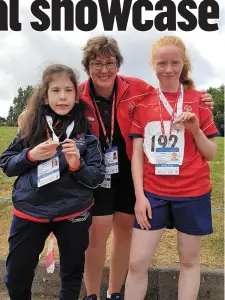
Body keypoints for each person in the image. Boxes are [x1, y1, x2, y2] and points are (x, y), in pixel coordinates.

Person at [78, 35, 214, 300]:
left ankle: (115, 292)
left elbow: (174, 92)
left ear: (118, 64)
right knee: (98, 235)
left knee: (125, 232)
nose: (104, 69)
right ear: (87, 66)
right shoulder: (79, 94)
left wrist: (201, 99)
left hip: (135, 175)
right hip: (99, 174)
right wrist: (27, 113)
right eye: (97, 63)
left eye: (110, 62)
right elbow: (49, 100)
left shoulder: (138, 89)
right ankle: (92, 294)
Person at [125, 36, 219, 300]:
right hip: (153, 193)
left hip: (193, 192)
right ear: (153, 64)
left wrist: (195, 129)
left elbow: (211, 153)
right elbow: (137, 157)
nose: (168, 69)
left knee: (188, 261)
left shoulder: (199, 100)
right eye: (162, 63)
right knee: (137, 263)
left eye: (174, 63)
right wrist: (140, 196)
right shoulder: (143, 103)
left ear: (183, 64)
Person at [0, 64, 105, 300]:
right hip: (30, 211)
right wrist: (30, 155)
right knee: (16, 276)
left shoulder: (86, 136)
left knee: (72, 276)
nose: (62, 96)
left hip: (74, 213)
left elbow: (97, 178)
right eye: (55, 90)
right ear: (45, 97)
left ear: (76, 97)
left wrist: (77, 165)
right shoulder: (30, 129)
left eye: (68, 90)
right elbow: (6, 163)